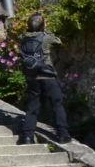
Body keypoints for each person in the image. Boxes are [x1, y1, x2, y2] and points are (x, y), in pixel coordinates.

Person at [17, 13, 71, 144]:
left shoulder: (22, 37)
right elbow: (58, 41)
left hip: (32, 77)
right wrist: (47, 30)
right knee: (57, 104)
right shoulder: (46, 38)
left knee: (32, 106)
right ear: (42, 25)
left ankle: (28, 136)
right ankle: (62, 134)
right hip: (47, 75)